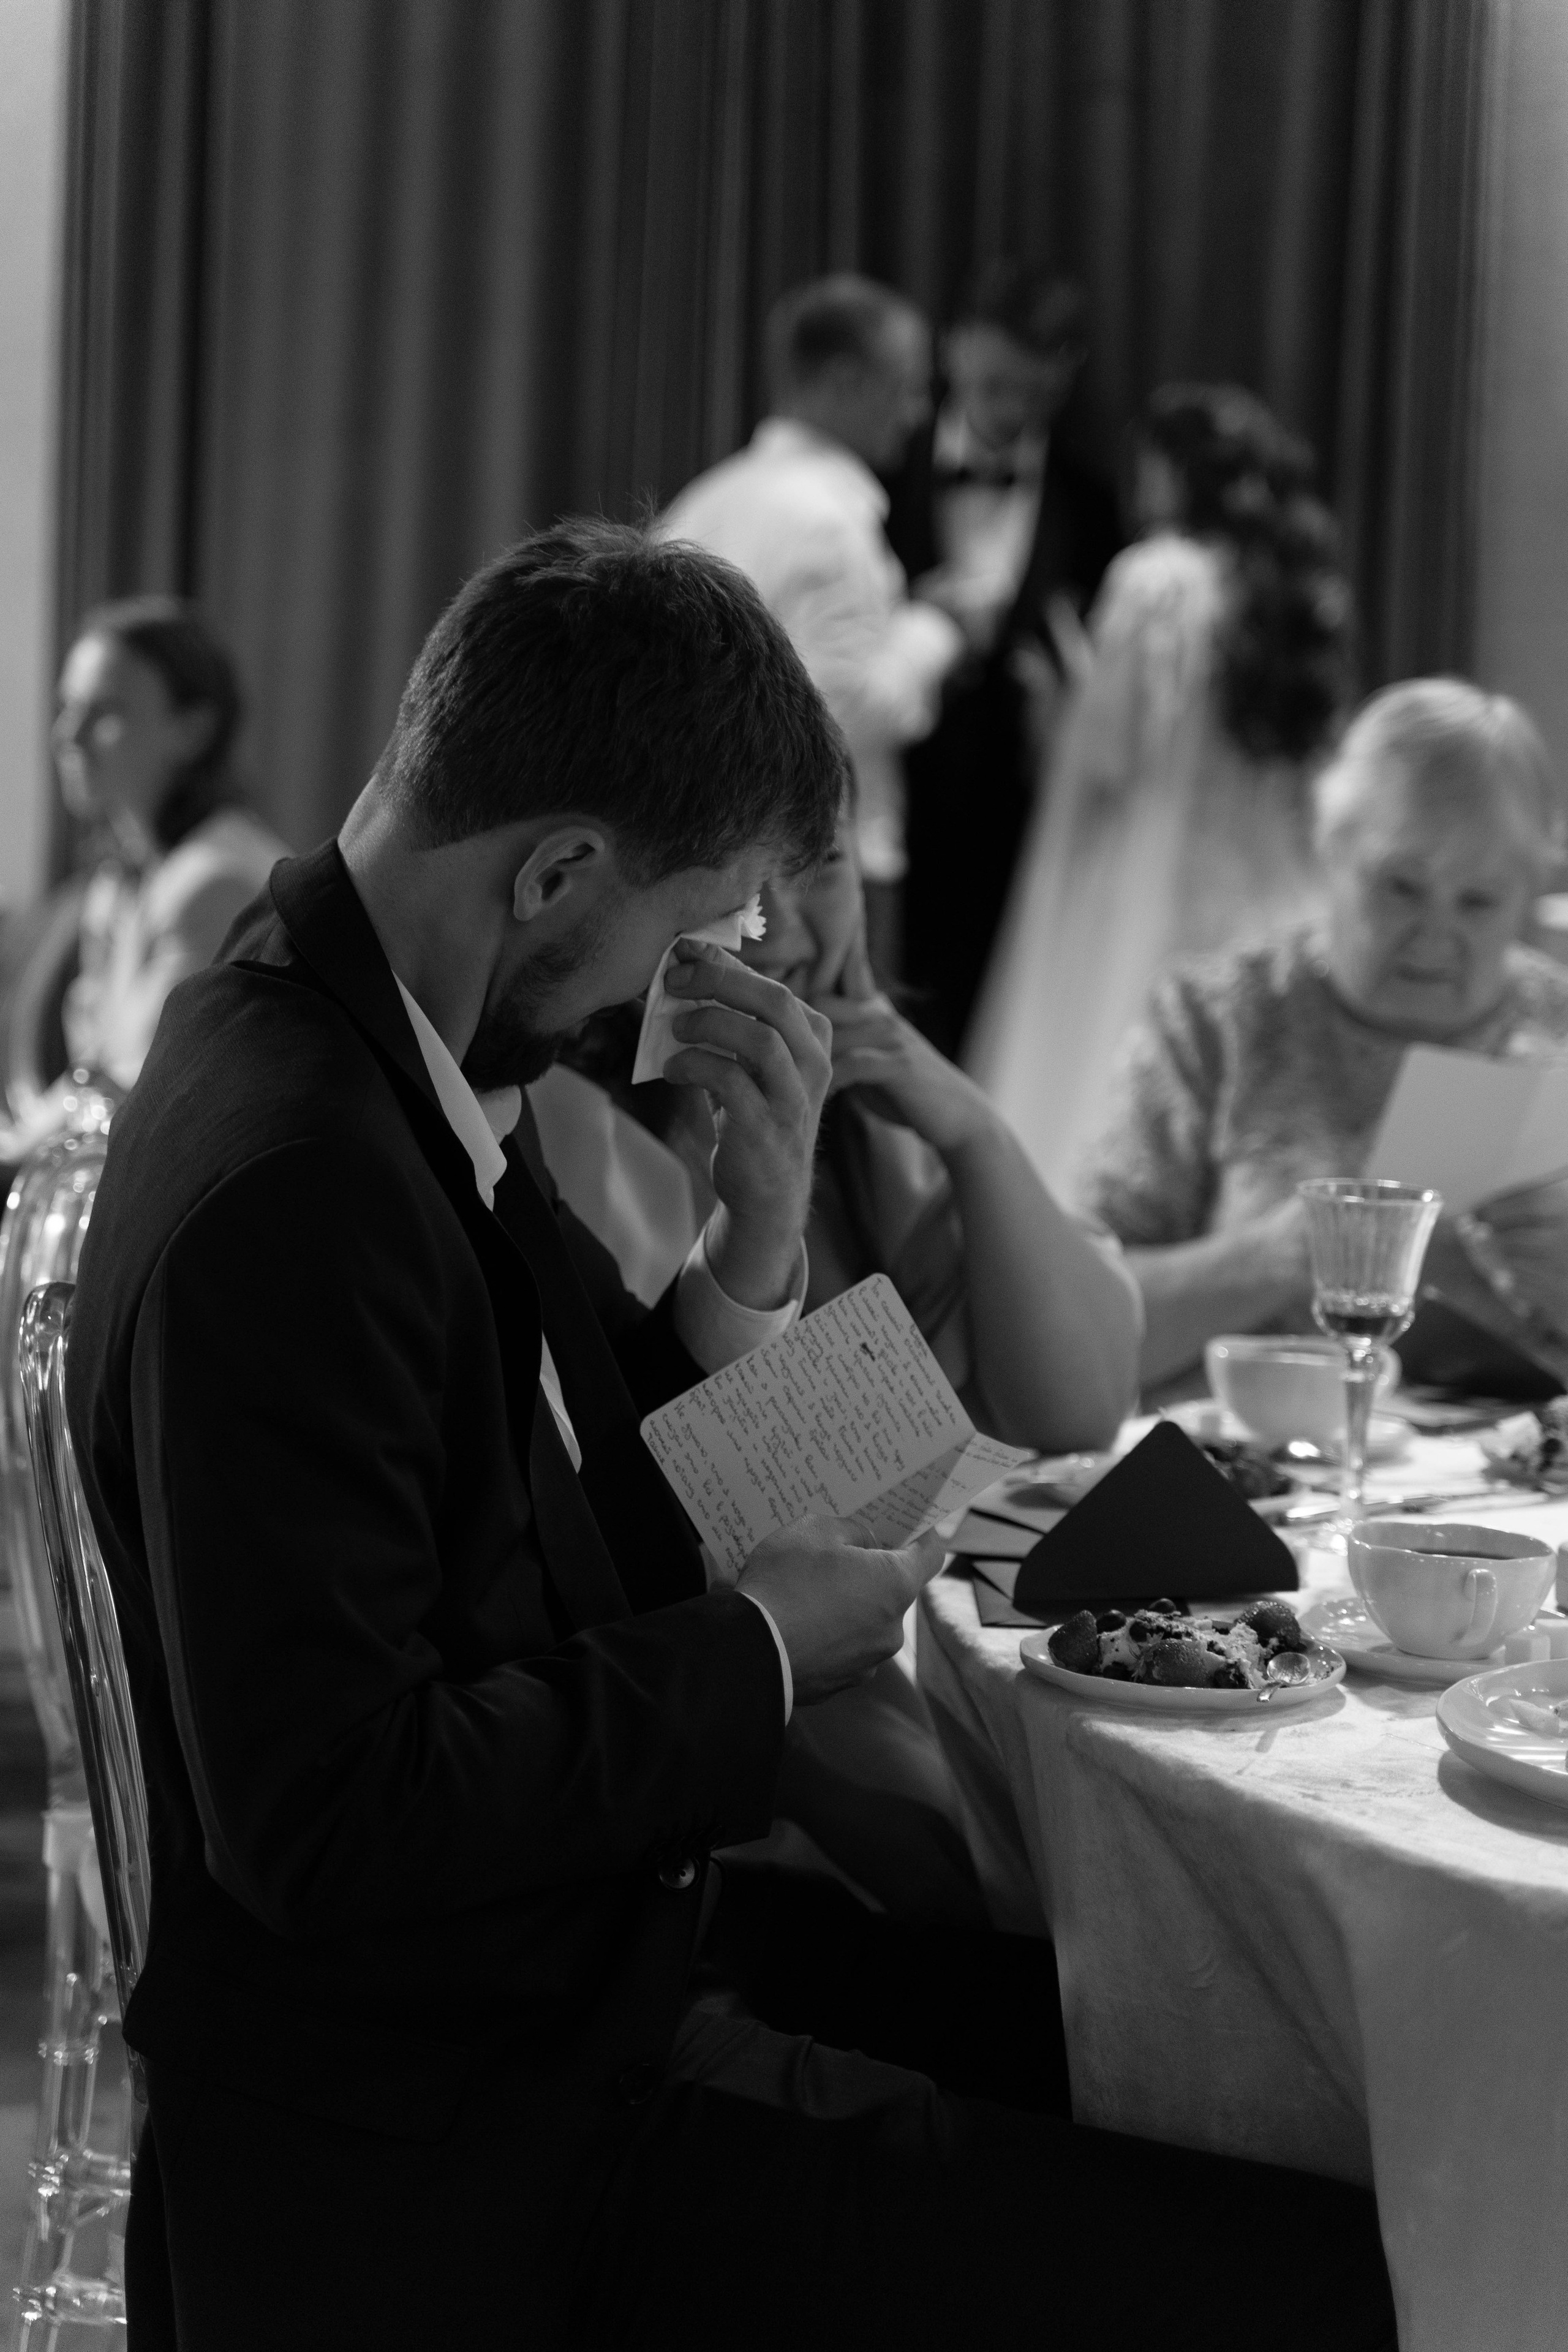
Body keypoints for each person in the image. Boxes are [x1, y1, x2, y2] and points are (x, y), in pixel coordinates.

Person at [69, 522, 1396, 2350]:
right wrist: (766, 1649)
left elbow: (579, 1482)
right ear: (551, 871)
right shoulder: (300, 1180)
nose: (670, 989)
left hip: (586, 1981)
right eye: (683, 924)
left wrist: (747, 1247)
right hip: (461, 2141)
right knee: (1319, 2280)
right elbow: (332, 1814)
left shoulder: (397, 1040)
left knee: (1269, 2083)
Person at [559, 805, 1144, 1918]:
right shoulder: (583, 1140)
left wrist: (973, 1133)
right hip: (734, 1791)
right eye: (738, 877)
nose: (777, 928)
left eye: (820, 867)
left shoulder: (874, 1136)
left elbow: (1077, 1399)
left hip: (880, 1695)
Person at [1080, 677, 1568, 1397]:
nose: (1436, 933)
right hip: (1250, 1474)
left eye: (1478, 900)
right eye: (1400, 887)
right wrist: (1281, 1255)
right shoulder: (1214, 1020)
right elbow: (1072, 1332)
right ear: (1329, 850)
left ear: (1529, 891)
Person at [968, 382, 1352, 1197]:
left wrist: (1057, 704)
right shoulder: (1289, 588)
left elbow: (1106, 759)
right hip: (1270, 887)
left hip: (1149, 884)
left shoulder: (1158, 582)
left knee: (1117, 1085)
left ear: (1176, 472)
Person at [655, 273, 962, 982]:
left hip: (689, 856)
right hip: (807, 883)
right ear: (848, 380)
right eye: (907, 386)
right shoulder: (830, 521)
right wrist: (937, 631)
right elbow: (840, 718)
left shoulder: (706, 498)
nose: (917, 413)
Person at [883, 261, 1123, 1057]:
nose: (1009, 409)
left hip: (1022, 815)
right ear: (952, 353)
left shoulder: (1094, 504)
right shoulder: (881, 473)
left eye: (1030, 389)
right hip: (893, 794)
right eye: (992, 383)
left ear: (1065, 377)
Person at [44, 597, 286, 1096]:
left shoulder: (218, 883)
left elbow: (139, 1096)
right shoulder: (118, 881)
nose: (68, 735)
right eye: (67, 707)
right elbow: (92, 1079)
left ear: (193, 731)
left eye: (104, 711)